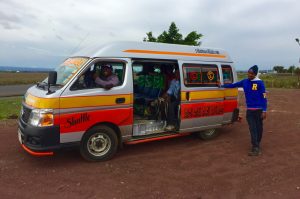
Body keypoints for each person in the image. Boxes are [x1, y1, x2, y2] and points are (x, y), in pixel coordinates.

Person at [223, 65, 267, 156]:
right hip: (250, 110)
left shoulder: (260, 83)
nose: (249, 75)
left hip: (259, 110)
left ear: (255, 74)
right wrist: (221, 85)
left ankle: (257, 144)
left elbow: (264, 97)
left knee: (259, 129)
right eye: (249, 73)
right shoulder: (244, 82)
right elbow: (233, 85)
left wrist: (264, 110)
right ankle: (255, 147)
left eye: (252, 73)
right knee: (252, 129)